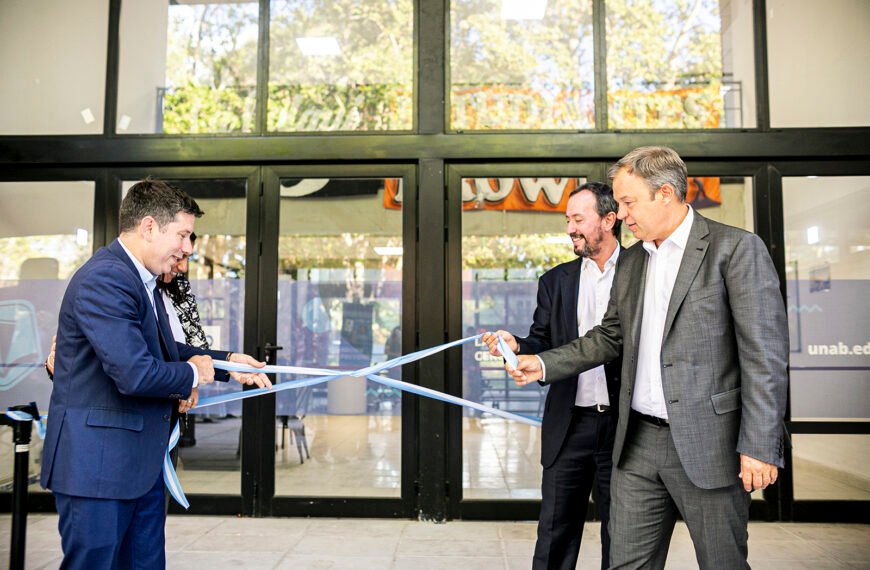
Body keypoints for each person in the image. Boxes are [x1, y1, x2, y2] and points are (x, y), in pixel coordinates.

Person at [508, 147, 788, 569]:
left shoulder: (734, 250)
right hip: (636, 444)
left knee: (722, 562)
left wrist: (760, 445)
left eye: (627, 202)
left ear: (665, 194)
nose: (620, 215)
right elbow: (609, 336)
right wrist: (544, 363)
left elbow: (764, 357)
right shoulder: (634, 261)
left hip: (709, 445)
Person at [40, 178, 272, 569]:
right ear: (149, 227)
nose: (189, 248)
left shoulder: (141, 280)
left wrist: (228, 362)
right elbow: (135, 373)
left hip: (138, 467)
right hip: (99, 469)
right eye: (183, 235)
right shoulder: (106, 278)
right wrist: (192, 374)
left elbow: (164, 350)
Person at [482, 182, 622, 570]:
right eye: (567, 220)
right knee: (555, 533)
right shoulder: (555, 281)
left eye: (578, 219)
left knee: (624, 536)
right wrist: (518, 345)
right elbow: (542, 341)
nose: (570, 228)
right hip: (569, 423)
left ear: (609, 220)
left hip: (625, 426)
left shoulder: (640, 271)